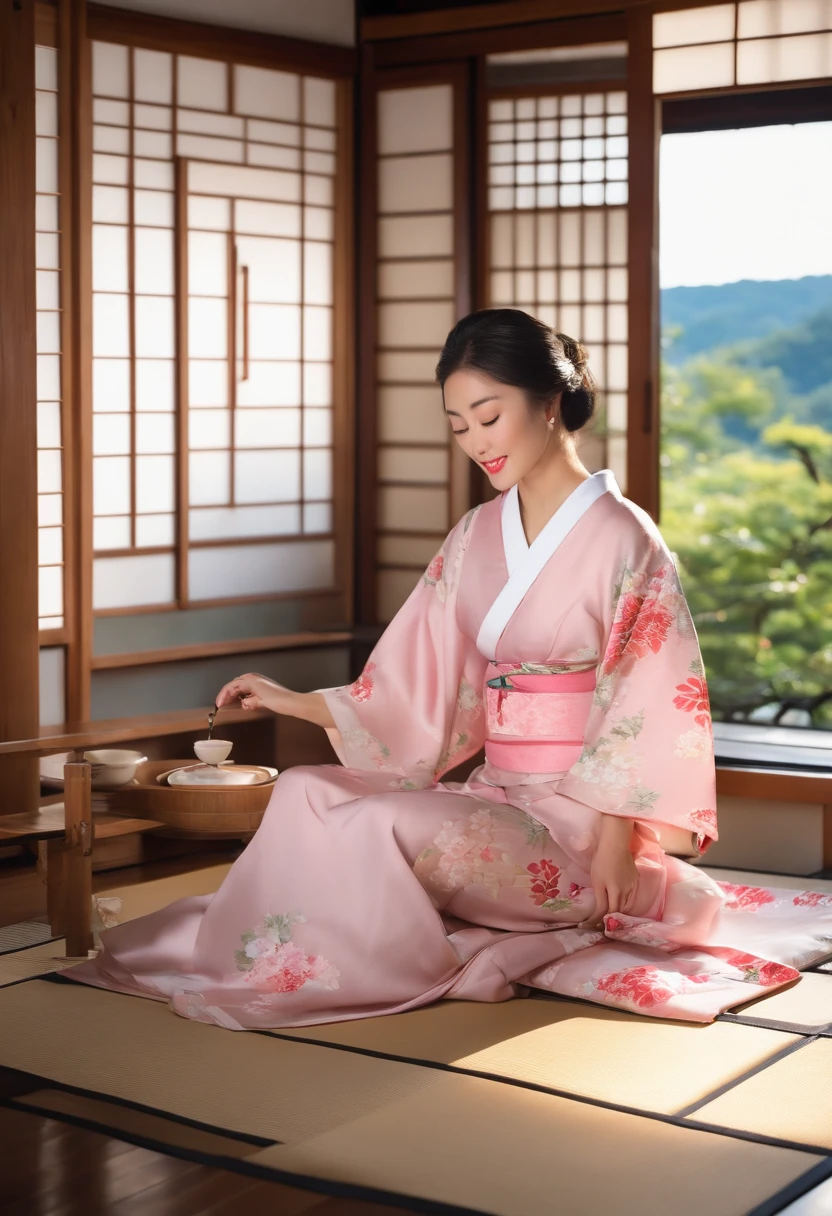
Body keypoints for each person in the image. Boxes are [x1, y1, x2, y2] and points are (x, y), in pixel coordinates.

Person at [66, 309, 832, 1027]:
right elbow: (416, 672)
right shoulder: (478, 532)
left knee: (386, 819)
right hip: (497, 802)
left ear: (550, 403)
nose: (475, 441)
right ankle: (276, 955)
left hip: (574, 834)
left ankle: (345, 962)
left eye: (490, 416)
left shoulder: (622, 537)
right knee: (305, 790)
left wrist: (612, 837)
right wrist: (297, 703)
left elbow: (649, 694)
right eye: (459, 425)